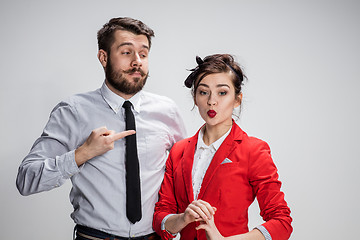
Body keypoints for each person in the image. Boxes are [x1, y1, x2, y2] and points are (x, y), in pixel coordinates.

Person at [16, 17, 186, 240]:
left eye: (143, 54)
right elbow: (26, 180)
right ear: (103, 57)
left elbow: (184, 175)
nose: (137, 61)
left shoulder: (167, 111)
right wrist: (82, 154)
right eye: (126, 52)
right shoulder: (73, 111)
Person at [153, 54, 292, 240]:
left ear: (237, 99)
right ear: (195, 98)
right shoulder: (178, 151)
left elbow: (281, 222)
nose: (212, 101)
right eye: (203, 92)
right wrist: (183, 218)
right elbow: (161, 218)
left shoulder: (253, 151)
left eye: (222, 92)